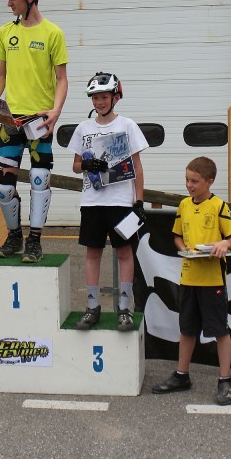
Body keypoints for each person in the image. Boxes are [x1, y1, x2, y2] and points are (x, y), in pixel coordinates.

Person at [0, 0, 68, 263]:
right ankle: (13, 235)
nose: (9, 2)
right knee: (3, 186)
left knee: (40, 178)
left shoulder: (52, 33)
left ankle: (35, 240)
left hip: (39, 120)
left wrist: (56, 111)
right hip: (9, 121)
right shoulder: (6, 32)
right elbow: (0, 75)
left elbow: (61, 79)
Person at [151, 156, 231, 405]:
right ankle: (182, 375)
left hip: (212, 281)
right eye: (187, 180)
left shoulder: (219, 206)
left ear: (209, 182)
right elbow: (178, 237)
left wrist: (223, 244)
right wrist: (185, 248)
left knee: (220, 331)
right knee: (187, 329)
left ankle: (225, 380)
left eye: (195, 181)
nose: (189, 185)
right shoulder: (184, 206)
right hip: (188, 278)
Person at [68, 72, 148, 332]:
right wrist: (86, 164)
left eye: (103, 97)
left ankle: (124, 308)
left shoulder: (127, 125)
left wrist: (139, 200)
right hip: (92, 201)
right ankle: (92, 307)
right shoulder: (84, 128)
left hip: (121, 202)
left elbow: (137, 165)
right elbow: (76, 166)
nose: (99, 102)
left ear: (115, 97)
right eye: (95, 98)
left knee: (124, 253)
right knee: (93, 253)